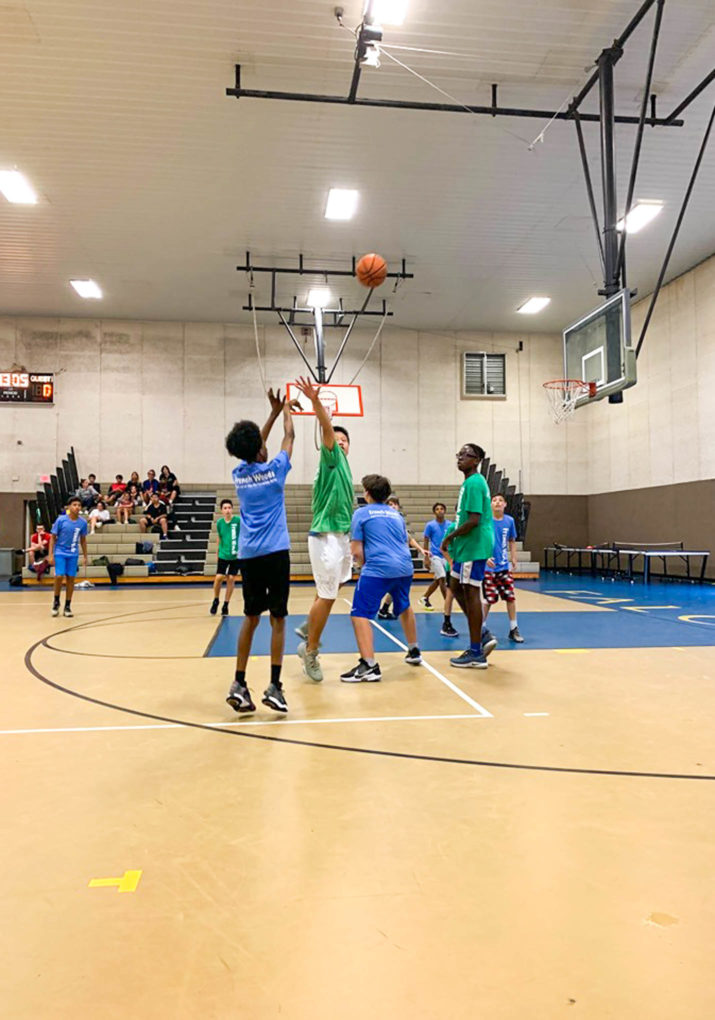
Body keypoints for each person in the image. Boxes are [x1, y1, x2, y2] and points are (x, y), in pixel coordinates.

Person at [224, 389, 296, 714]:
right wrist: (286, 412)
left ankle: (238, 683)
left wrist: (271, 414)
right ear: (259, 449)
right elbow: (288, 436)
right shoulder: (276, 471)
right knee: (278, 619)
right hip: (276, 553)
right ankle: (275, 686)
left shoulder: (239, 475)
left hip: (249, 554)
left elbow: (257, 447)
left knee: (251, 617)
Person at [292, 375, 354, 684]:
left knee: (334, 586)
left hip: (341, 535)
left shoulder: (344, 467)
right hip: (326, 535)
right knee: (328, 595)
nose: (340, 442)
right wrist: (316, 402)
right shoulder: (331, 459)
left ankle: (308, 625)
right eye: (336, 439)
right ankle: (310, 650)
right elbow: (327, 430)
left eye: (345, 440)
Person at [341, 474, 422, 683]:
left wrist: (364, 566)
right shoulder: (396, 515)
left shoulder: (361, 513)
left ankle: (369, 665)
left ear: (367, 493)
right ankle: (414, 650)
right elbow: (403, 541)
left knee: (359, 613)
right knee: (403, 605)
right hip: (404, 567)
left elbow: (356, 551)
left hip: (378, 569)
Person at [440, 444, 494, 669]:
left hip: (473, 545)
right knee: (453, 583)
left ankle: (476, 653)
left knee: (471, 592)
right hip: (466, 546)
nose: (460, 458)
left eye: (466, 455)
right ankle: (480, 632)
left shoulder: (474, 482)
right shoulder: (470, 482)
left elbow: (473, 520)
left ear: (477, 460)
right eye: (459, 454)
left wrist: (450, 537)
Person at [376, 495, 426, 621]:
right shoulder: (382, 522)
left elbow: (409, 539)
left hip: (402, 560)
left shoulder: (400, 521)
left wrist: (420, 549)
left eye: (394, 504)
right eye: (390, 504)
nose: (392, 506)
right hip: (389, 559)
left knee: (397, 586)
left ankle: (385, 609)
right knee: (393, 586)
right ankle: (388, 609)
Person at [483, 494, 524, 643]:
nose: (497, 502)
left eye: (500, 500)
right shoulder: (485, 521)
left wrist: (513, 557)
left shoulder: (509, 521)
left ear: (505, 504)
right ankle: (481, 629)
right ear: (490, 505)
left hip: (504, 567)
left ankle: (514, 628)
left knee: (510, 597)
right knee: (488, 599)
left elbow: (512, 540)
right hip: (488, 568)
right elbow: (480, 540)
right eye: (494, 500)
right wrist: (485, 557)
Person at [48, 497, 88, 617]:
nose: (77, 507)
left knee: (71, 578)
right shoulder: (61, 520)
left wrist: (85, 555)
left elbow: (83, 540)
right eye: (74, 505)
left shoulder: (83, 523)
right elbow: (52, 537)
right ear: (69, 507)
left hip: (73, 553)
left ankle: (67, 606)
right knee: (59, 576)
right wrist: (50, 554)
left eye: (79, 505)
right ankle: (56, 601)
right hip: (60, 552)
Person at [210, 499, 240, 616]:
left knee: (231, 579)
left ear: (232, 509)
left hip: (236, 555)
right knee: (219, 577)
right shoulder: (220, 523)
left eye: (229, 508)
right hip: (223, 554)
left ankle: (226, 604)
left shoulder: (238, 521)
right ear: (221, 510)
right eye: (225, 508)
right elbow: (220, 537)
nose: (227, 510)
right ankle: (216, 599)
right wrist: (217, 551)